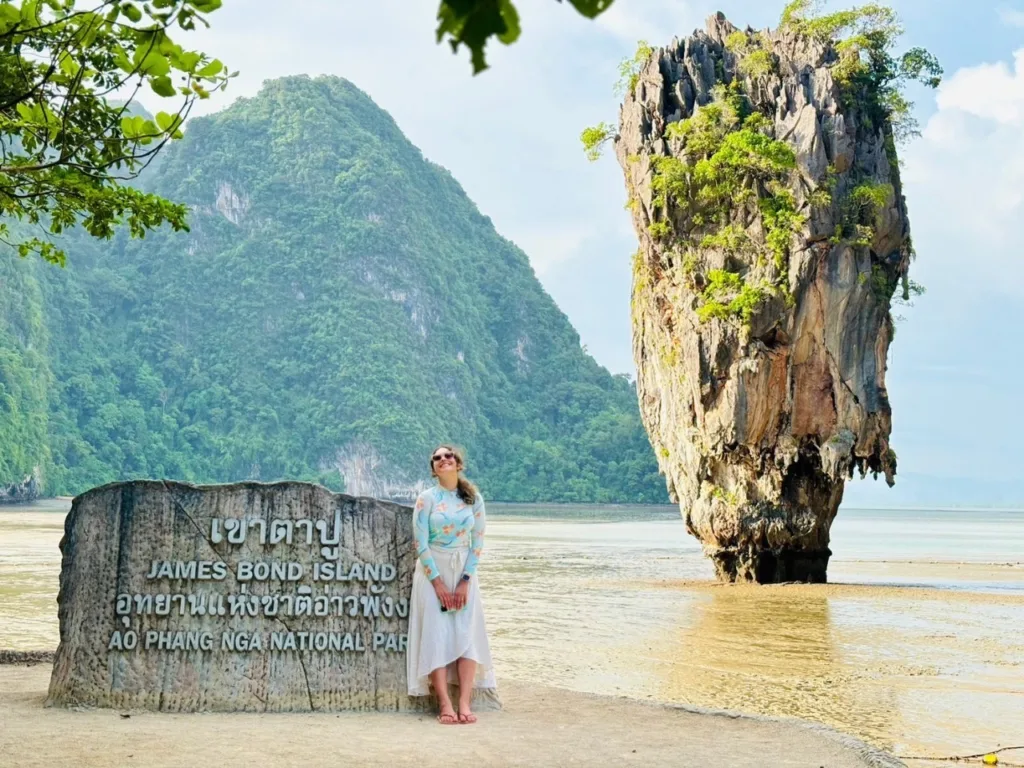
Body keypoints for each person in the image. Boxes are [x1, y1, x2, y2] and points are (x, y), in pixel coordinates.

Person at [406, 444, 496, 724]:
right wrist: (438, 584)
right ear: (433, 468)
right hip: (432, 571)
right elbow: (420, 543)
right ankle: (445, 703)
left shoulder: (473, 498)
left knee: (467, 635)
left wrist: (465, 581)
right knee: (435, 633)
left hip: (464, 573)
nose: (443, 459)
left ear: (458, 463)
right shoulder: (426, 499)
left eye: (448, 456)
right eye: (437, 458)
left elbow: (477, 542)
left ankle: (465, 703)